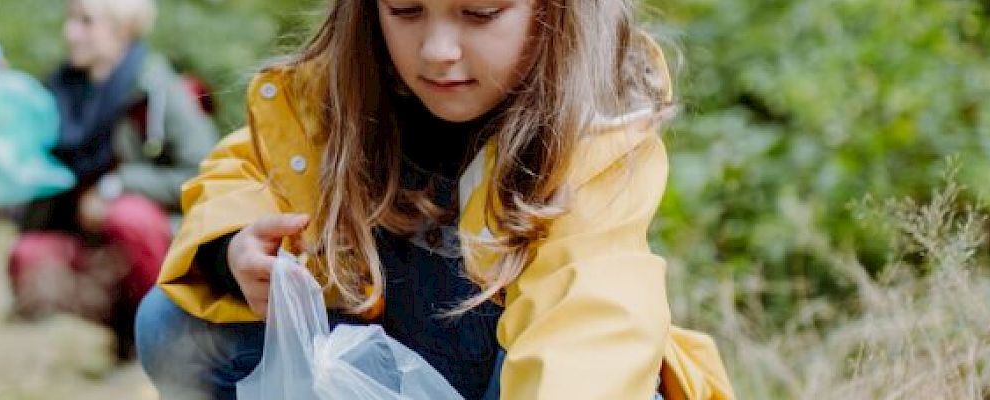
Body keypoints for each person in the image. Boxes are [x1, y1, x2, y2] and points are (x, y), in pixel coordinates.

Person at [133, 0, 736, 398]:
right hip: (379, 366)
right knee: (167, 321)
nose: (436, 50)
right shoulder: (339, 95)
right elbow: (243, 168)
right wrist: (233, 248)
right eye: (406, 9)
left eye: (479, 11)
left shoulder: (590, 134)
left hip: (516, 378)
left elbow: (592, 314)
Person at [6, 0, 220, 363]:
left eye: (85, 22)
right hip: (86, 240)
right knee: (28, 255)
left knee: (128, 216)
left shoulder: (159, 89)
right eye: (70, 21)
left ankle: (169, 339)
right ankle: (125, 333)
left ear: (122, 29)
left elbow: (206, 173)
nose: (70, 33)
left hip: (157, 238)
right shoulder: (60, 91)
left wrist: (117, 185)